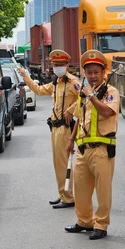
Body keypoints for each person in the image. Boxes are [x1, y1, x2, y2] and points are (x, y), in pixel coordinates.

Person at [64, 50, 120, 240]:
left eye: (96, 72)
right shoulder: (83, 94)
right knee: (80, 189)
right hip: (83, 150)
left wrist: (92, 96)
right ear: (85, 73)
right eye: (89, 72)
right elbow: (79, 119)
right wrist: (71, 139)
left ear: (104, 72)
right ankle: (84, 221)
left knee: (103, 191)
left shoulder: (111, 92)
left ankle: (101, 225)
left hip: (102, 150)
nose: (92, 76)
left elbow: (106, 113)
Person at [17, 50, 81, 209]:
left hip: (65, 128)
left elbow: (85, 97)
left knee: (63, 162)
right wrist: (25, 76)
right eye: (55, 65)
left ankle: (68, 197)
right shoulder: (56, 82)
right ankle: (63, 193)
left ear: (67, 65)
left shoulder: (73, 82)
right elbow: (38, 90)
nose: (58, 67)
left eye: (61, 64)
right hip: (55, 127)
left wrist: (71, 110)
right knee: (58, 163)